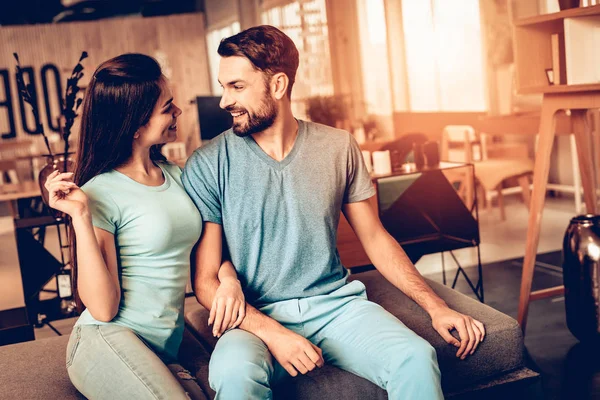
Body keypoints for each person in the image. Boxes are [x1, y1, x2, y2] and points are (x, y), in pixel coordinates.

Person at [182, 26, 485, 400]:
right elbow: (206, 281)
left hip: (336, 307)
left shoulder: (338, 147)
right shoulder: (209, 163)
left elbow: (375, 238)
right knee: (234, 374)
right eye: (223, 86)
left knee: (416, 357)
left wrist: (436, 307)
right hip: (251, 318)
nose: (225, 100)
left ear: (278, 85)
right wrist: (275, 334)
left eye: (237, 87)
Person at [46, 53, 245, 400]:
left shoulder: (178, 176)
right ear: (136, 124)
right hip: (106, 339)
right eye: (168, 108)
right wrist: (79, 217)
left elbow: (210, 254)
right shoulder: (98, 192)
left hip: (163, 345)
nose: (178, 113)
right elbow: (104, 309)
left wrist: (228, 281)